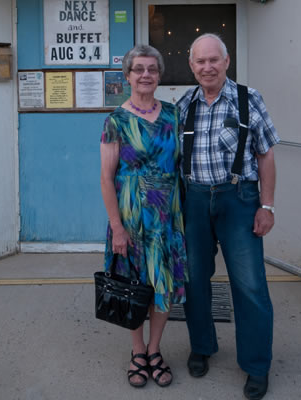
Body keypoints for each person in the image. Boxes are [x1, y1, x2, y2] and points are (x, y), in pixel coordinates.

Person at [177, 33, 279, 400]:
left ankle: (256, 365)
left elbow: (266, 155)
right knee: (193, 279)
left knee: (249, 284)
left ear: (226, 61)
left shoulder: (249, 100)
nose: (207, 67)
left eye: (213, 60)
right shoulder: (184, 103)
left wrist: (266, 206)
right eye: (199, 61)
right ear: (191, 66)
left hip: (239, 198)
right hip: (195, 199)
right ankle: (201, 346)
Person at [100, 44, 188, 388]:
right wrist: (116, 227)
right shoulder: (116, 121)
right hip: (131, 219)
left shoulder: (173, 115)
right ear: (128, 75)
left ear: (160, 75)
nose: (146, 75)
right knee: (132, 287)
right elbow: (106, 178)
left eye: (152, 69)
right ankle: (137, 351)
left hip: (167, 218)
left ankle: (155, 350)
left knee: (162, 284)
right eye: (139, 69)